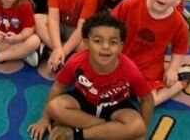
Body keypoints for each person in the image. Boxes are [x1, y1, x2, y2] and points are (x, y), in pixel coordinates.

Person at [28, 12, 153, 140]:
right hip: (83, 98)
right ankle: (111, 130)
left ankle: (77, 134)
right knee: (53, 107)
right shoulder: (76, 62)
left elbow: (147, 99)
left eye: (113, 42)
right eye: (98, 41)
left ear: (121, 47)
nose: (105, 47)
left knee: (138, 126)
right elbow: (58, 87)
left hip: (116, 105)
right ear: (86, 43)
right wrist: (44, 118)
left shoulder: (130, 69)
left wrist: (142, 132)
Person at [113, 0, 190, 106]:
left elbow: (179, 48)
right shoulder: (130, 4)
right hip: (120, 57)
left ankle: (182, 81)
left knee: (149, 101)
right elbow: (109, 24)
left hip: (149, 66)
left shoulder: (179, 23)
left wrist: (173, 70)